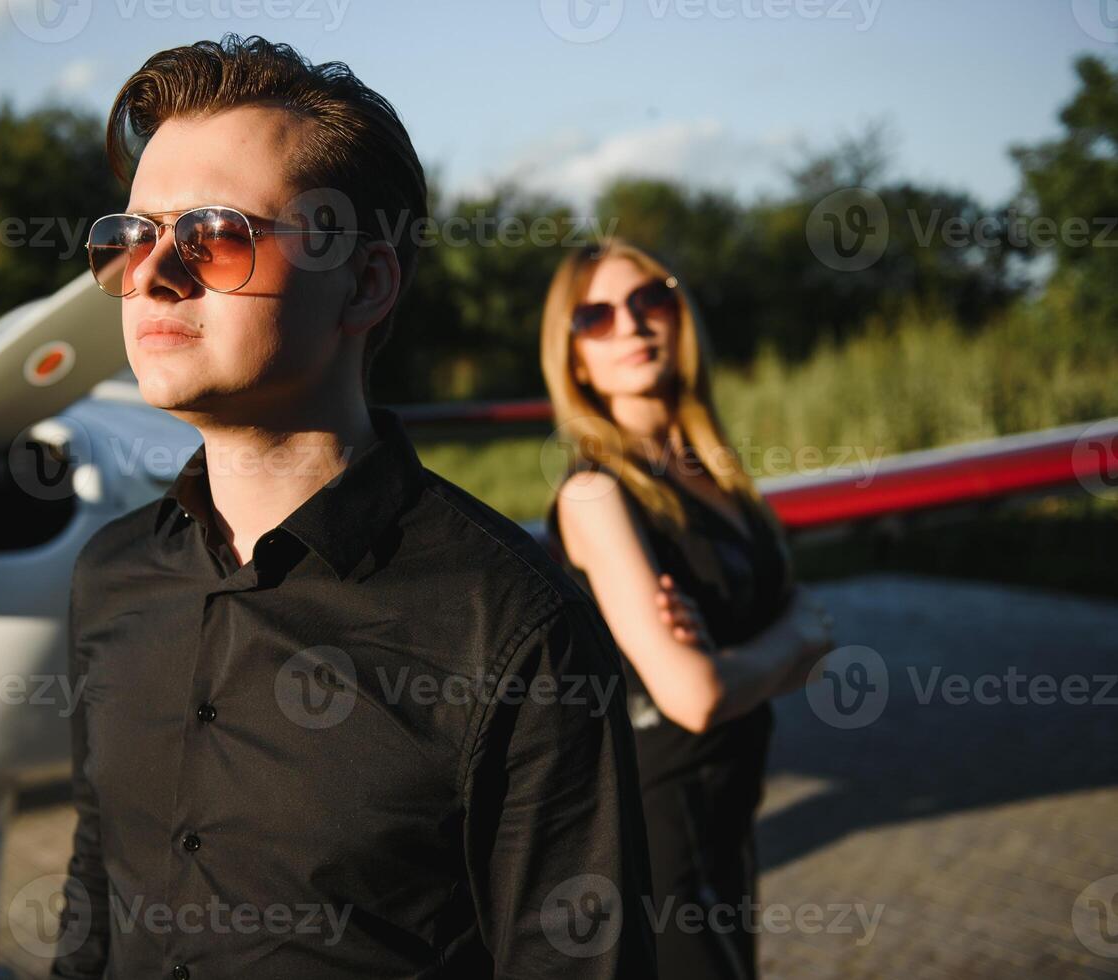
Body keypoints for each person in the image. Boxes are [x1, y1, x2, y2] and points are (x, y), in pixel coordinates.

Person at [50, 36, 658, 979]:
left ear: (367, 282)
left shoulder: (513, 626)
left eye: (212, 233)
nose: (151, 275)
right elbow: (98, 885)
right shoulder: (110, 575)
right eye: (129, 237)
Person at [539, 238, 836, 979]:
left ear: (681, 315)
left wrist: (754, 657)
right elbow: (697, 695)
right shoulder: (597, 493)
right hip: (659, 831)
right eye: (596, 316)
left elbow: (796, 662)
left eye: (651, 300)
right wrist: (791, 635)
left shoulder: (719, 479)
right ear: (573, 356)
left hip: (729, 818)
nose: (632, 326)